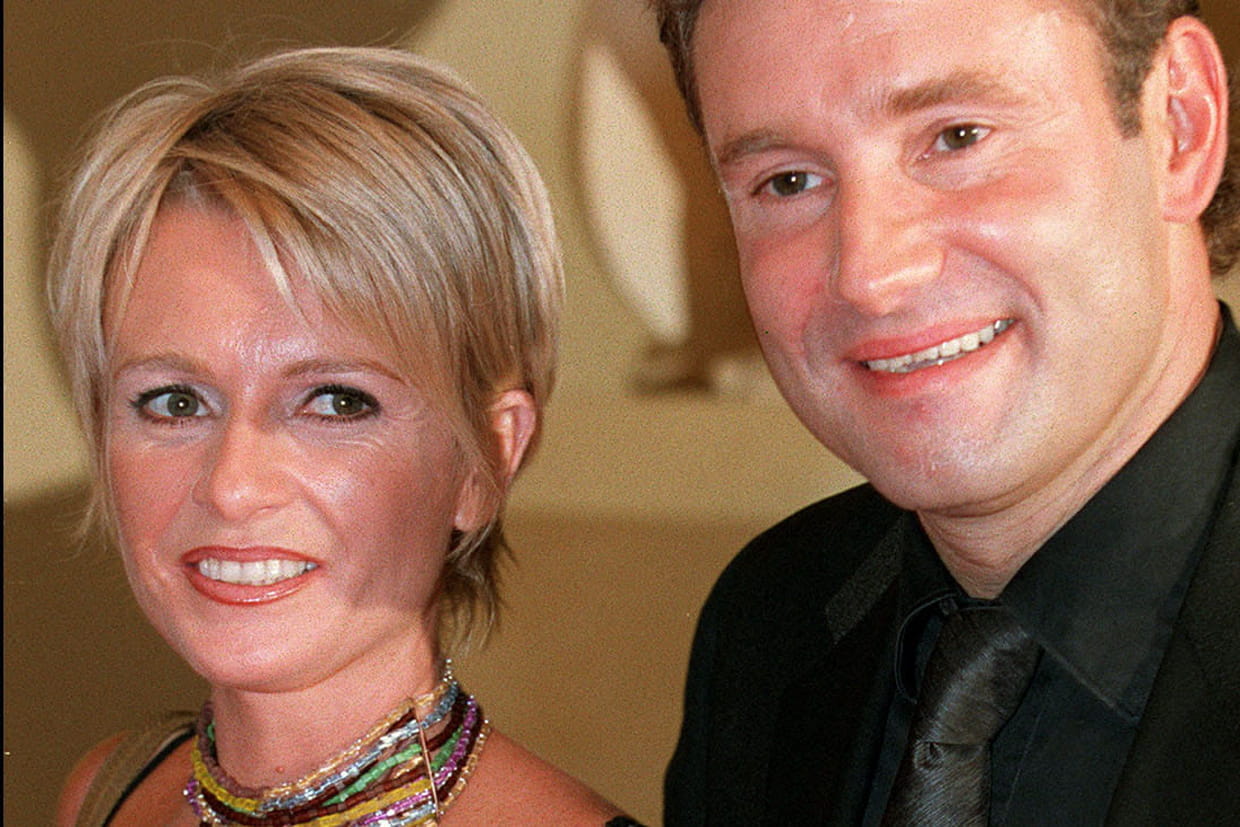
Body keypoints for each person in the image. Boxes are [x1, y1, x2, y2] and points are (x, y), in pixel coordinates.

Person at [653, 0, 1239, 823]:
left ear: (1180, 124)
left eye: (958, 138)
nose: (870, 274)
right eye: (788, 181)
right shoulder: (772, 621)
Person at [49, 46, 643, 826]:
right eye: (175, 401)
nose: (232, 485)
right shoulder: (106, 794)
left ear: (487, 459)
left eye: (335, 402)